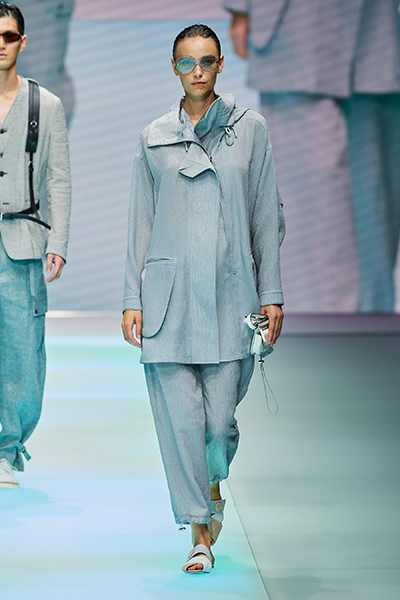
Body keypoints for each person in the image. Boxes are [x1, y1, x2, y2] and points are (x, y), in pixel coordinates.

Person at [122, 24, 285, 573]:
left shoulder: (251, 130)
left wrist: (272, 294)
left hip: (231, 296)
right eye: (187, 62)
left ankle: (213, 485)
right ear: (174, 67)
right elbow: (140, 223)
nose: (197, 71)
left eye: (207, 61)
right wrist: (132, 297)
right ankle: (198, 531)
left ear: (219, 65)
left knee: (219, 426)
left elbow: (266, 217)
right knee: (182, 423)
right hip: (168, 300)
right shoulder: (153, 137)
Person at [224, 0, 400, 313]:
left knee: (374, 211)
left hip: (378, 31)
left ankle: (368, 333)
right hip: (299, 29)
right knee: (309, 210)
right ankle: (324, 334)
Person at [0, 3, 71, 488]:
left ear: (23, 42)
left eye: (8, 36)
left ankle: (6, 449)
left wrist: (58, 241)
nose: (0, 44)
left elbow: (58, 179)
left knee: (23, 352)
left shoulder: (45, 105)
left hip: (22, 241)